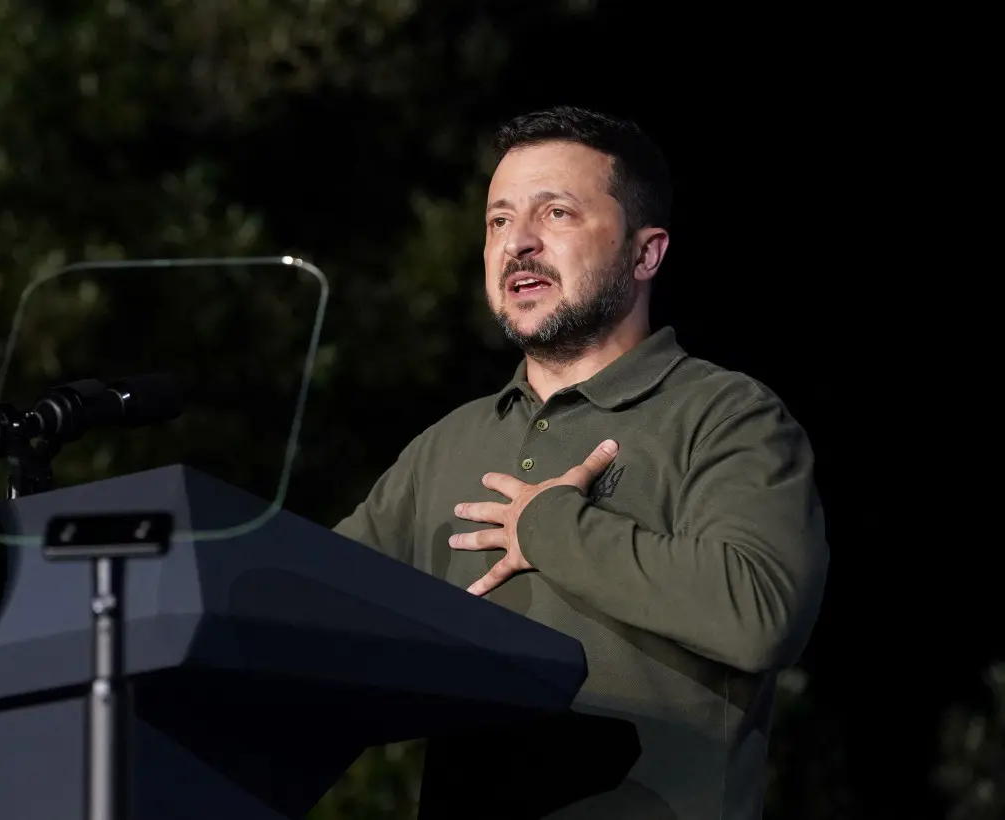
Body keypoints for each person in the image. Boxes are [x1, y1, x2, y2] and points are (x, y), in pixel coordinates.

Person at [333, 106, 829, 819]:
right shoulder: (447, 443)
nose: (519, 244)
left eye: (556, 213)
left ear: (645, 252)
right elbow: (313, 607)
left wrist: (551, 525)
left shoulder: (726, 415)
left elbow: (761, 613)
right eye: (499, 222)